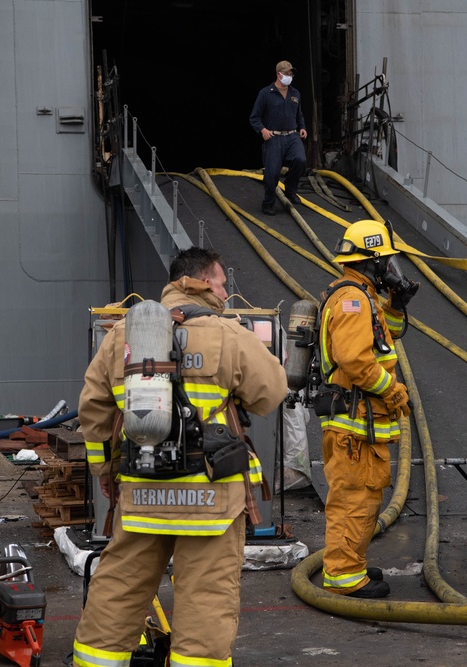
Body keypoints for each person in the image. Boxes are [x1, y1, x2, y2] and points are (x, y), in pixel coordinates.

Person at [73, 247, 287, 667]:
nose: (226, 292)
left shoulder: (121, 336)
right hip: (212, 497)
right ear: (203, 282)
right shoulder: (229, 333)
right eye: (222, 283)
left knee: (119, 589)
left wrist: (105, 468)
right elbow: (270, 396)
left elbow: (93, 410)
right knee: (206, 598)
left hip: (142, 493)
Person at [317, 220, 417, 598]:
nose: (391, 269)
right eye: (386, 262)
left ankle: (350, 562)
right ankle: (343, 575)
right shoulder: (353, 299)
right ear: (372, 261)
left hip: (361, 423)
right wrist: (392, 391)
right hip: (355, 422)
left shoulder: (363, 296)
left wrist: (395, 305)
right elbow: (356, 360)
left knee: (364, 496)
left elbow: (382, 340)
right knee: (354, 498)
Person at [249, 60, 308, 216]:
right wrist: (262, 130)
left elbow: (299, 115)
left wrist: (302, 127)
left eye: (291, 74)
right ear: (278, 74)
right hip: (274, 138)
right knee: (272, 173)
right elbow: (254, 117)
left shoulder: (295, 94)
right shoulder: (266, 93)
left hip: (292, 135)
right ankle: (268, 203)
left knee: (300, 160)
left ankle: (290, 189)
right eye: (286, 74)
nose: (289, 76)